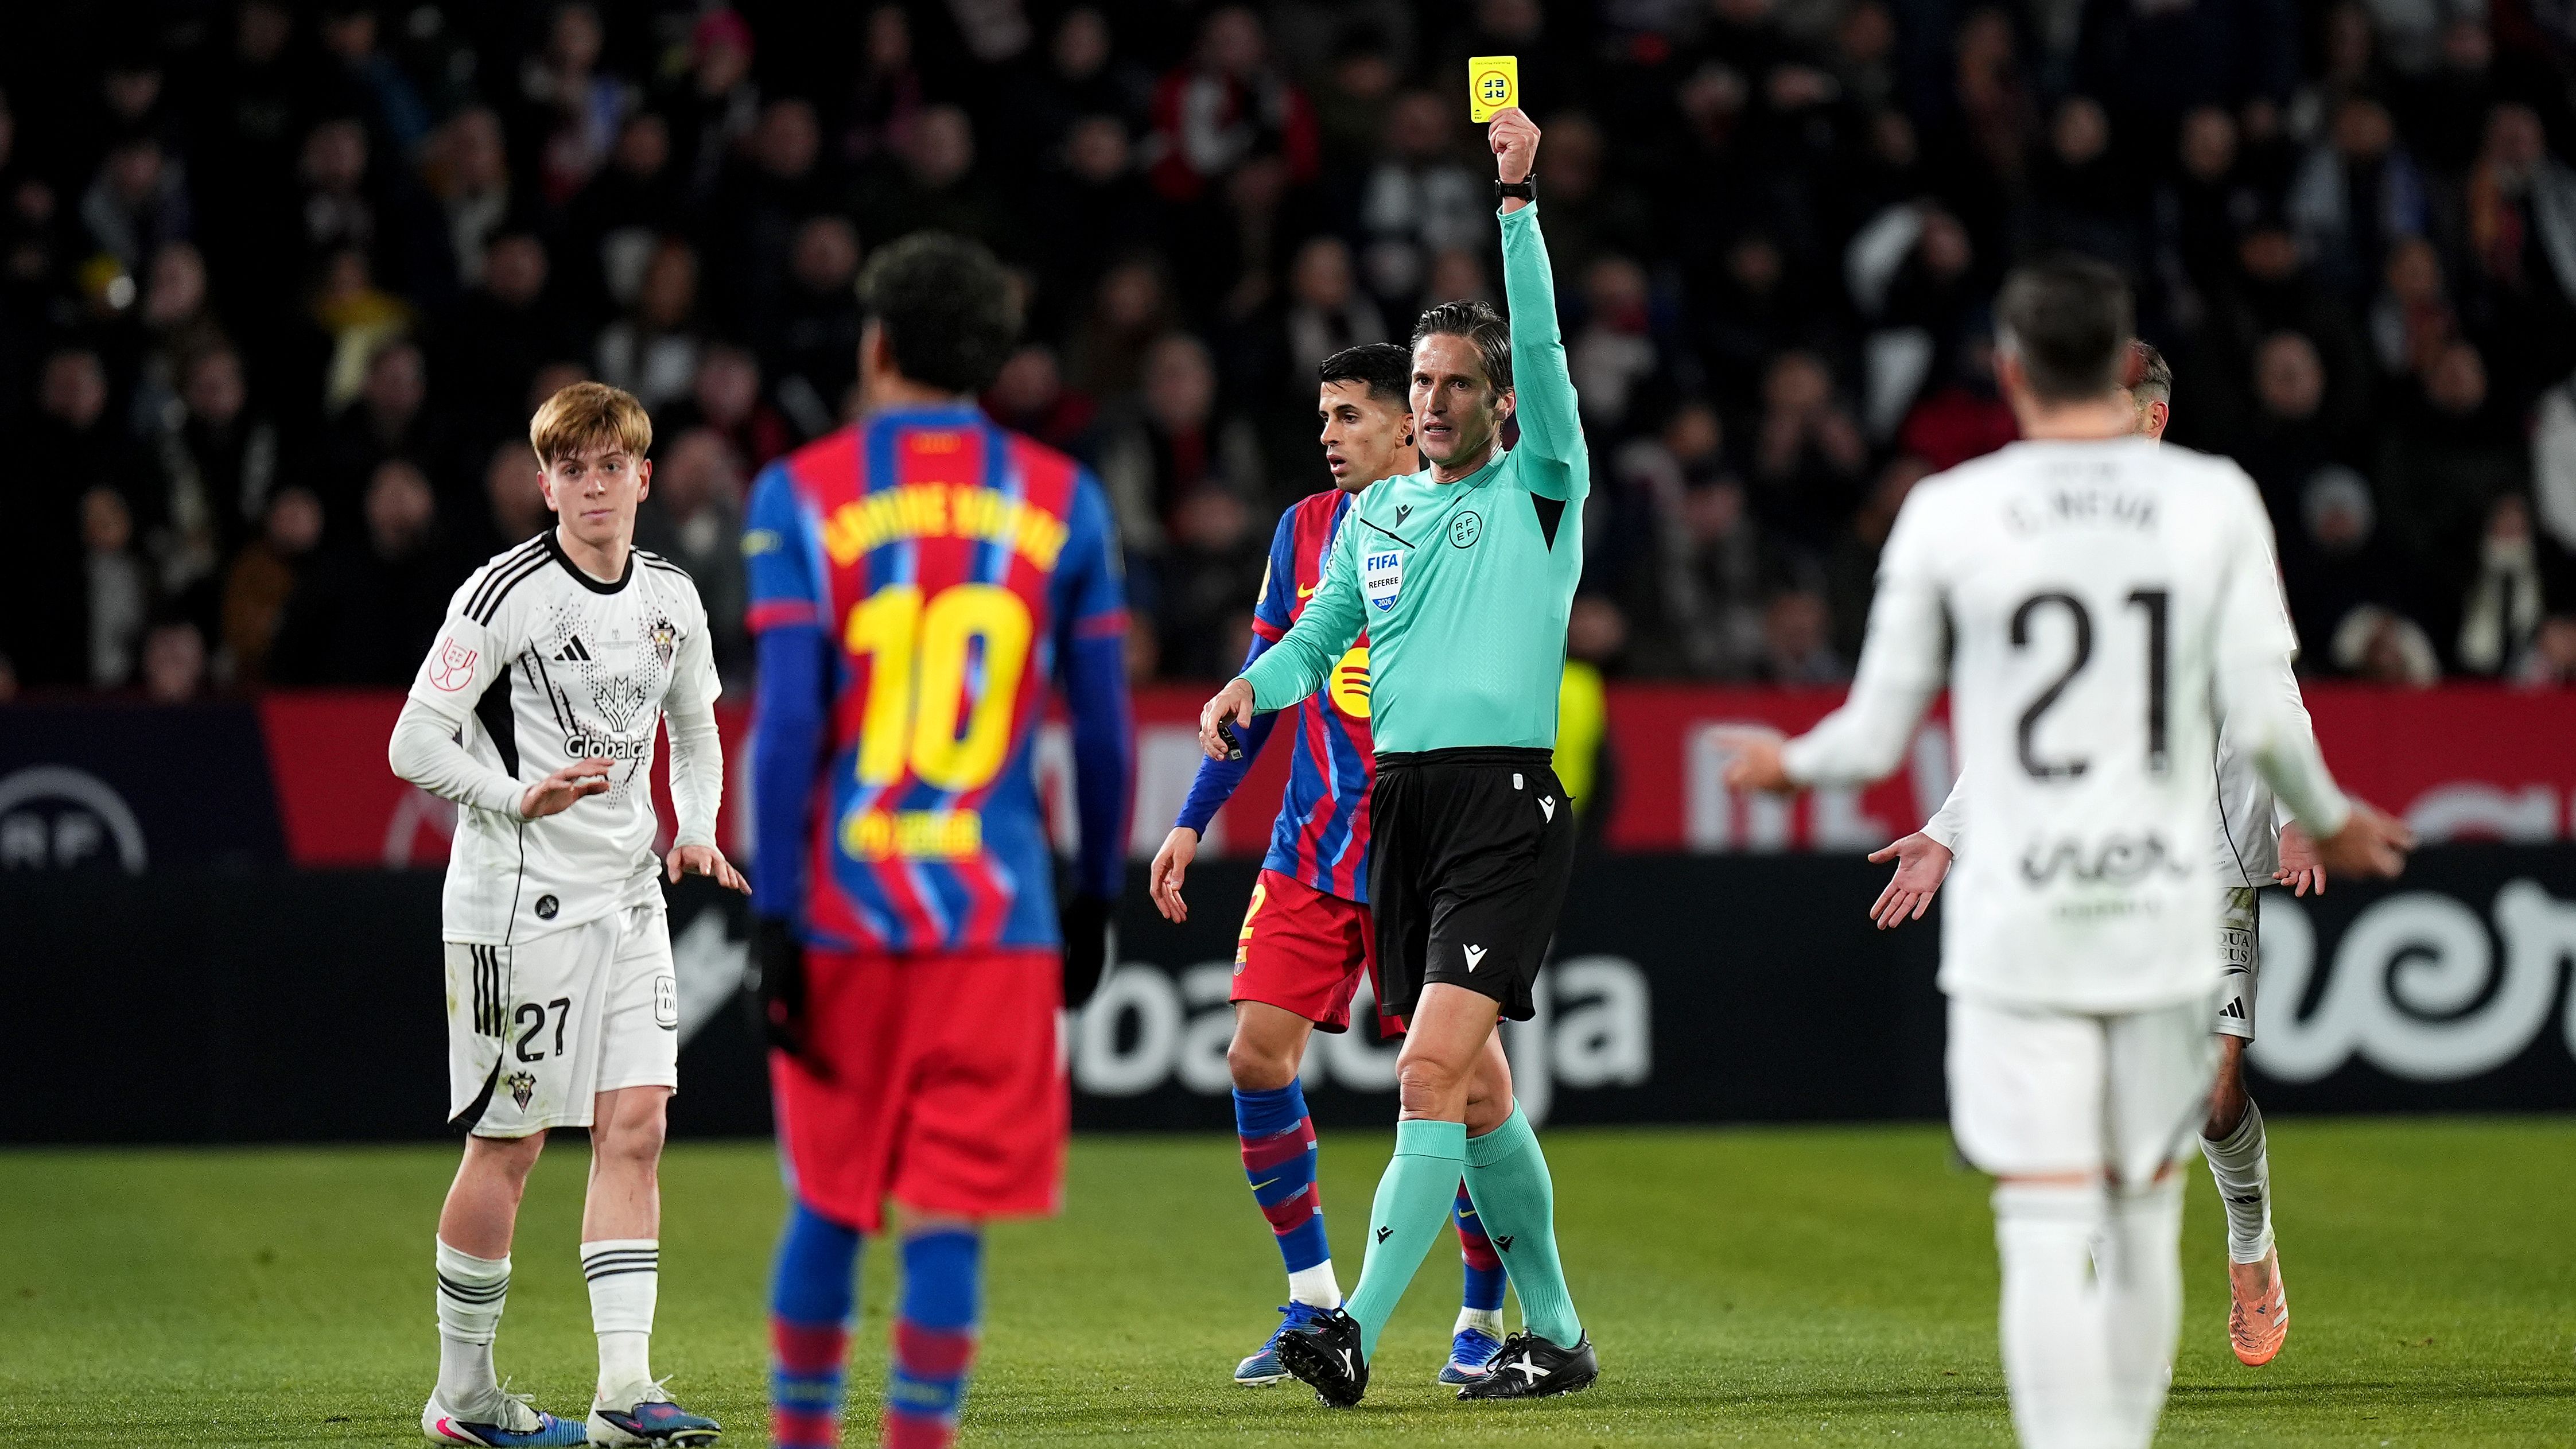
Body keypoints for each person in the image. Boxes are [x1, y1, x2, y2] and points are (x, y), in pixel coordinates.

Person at [1723, 258, 2412, 1449]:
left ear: (2007, 372)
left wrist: (1792, 768)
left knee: (2096, 1175)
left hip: (2094, 900)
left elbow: (1882, 725)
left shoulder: (1957, 509)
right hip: (2131, 900)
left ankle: (2231, 1252)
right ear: (2117, 371)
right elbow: (2248, 700)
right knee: (2121, 1195)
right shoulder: (2216, 504)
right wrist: (1945, 836)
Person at [1195, 106, 1595, 1407]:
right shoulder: (1373, 515)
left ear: (1499, 402)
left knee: (1423, 1071)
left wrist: (1517, 204)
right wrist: (1245, 692)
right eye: (1415, 386)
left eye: (1451, 386)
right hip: (1396, 813)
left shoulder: (1537, 486)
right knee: (1473, 1092)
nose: (1427, 404)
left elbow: (1536, 336)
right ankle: (1556, 1333)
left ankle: (1348, 1327)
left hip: (1500, 808)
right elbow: (1314, 644)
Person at [745, 233, 1133, 1449]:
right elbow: (1108, 732)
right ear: (993, 361)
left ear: (875, 346)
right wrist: (1094, 895)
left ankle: (804, 1438)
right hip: (999, 916)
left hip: (848, 914)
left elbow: (790, 725)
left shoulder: (798, 494)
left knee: (829, 1208)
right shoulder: (1067, 500)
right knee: (947, 1219)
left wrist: (773, 911)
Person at [1866, 339, 2324, 1367]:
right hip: (2082, 855)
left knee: (2210, 1089)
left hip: (2202, 854)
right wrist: (1945, 833)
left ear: (2149, 420)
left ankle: (2248, 1240)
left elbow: (2269, 681)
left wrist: (2298, 809)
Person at [1149, 341, 1517, 1390]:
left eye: (1349, 416)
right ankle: (1313, 1303)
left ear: (1409, 423)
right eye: (1322, 417)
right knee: (1255, 1059)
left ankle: (1483, 1314)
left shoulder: (1473, 520)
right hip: (1313, 850)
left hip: (1432, 855)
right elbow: (1265, 679)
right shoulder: (1305, 530)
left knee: (1458, 1095)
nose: (1327, 436)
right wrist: (1191, 820)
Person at [387, 381, 741, 1448]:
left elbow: (697, 729)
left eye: (611, 466)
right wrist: (512, 796)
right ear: (545, 486)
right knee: (513, 1145)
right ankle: (464, 1395)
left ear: (643, 476)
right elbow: (414, 741)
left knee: (637, 1128)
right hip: (516, 904)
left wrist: (697, 827)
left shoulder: (672, 597)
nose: (594, 485)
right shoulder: (505, 597)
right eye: (571, 469)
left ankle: (624, 1394)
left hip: (631, 894)